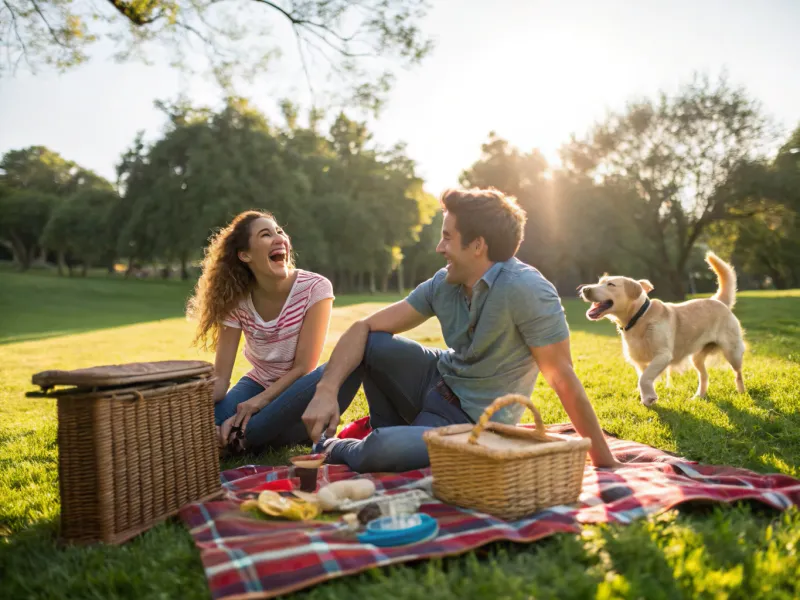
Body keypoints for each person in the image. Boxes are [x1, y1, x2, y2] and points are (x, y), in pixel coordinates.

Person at [301, 188, 621, 472]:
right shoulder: (445, 281)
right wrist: (326, 390)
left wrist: (603, 459)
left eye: (448, 237)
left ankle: (338, 446)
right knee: (374, 343)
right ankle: (388, 430)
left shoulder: (528, 290)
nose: (440, 247)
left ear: (478, 245)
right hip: (434, 379)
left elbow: (561, 376)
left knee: (382, 450)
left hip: (470, 423)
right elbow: (364, 326)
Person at [187, 210, 361, 453]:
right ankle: (268, 435)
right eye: (266, 234)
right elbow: (221, 380)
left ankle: (250, 436)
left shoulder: (315, 288)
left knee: (335, 368)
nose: (280, 237)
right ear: (245, 255)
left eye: (279, 231)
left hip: (301, 388)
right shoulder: (235, 302)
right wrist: (190, 406)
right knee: (198, 430)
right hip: (257, 382)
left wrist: (257, 403)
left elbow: (304, 367)